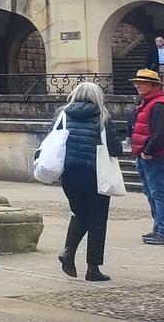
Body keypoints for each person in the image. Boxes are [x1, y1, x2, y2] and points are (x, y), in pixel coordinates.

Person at [57, 82, 120, 282]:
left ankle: (68, 252)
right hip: (95, 174)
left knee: (79, 213)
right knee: (98, 220)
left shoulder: (64, 115)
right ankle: (93, 268)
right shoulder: (102, 117)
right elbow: (116, 148)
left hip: (69, 173)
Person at [129, 68, 164, 245]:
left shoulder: (157, 104)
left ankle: (162, 231)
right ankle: (158, 228)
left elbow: (158, 133)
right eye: (137, 82)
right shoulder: (148, 103)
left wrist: (147, 151)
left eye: (141, 82)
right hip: (146, 155)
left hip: (154, 157)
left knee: (158, 194)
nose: (137, 86)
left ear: (153, 85)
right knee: (152, 193)